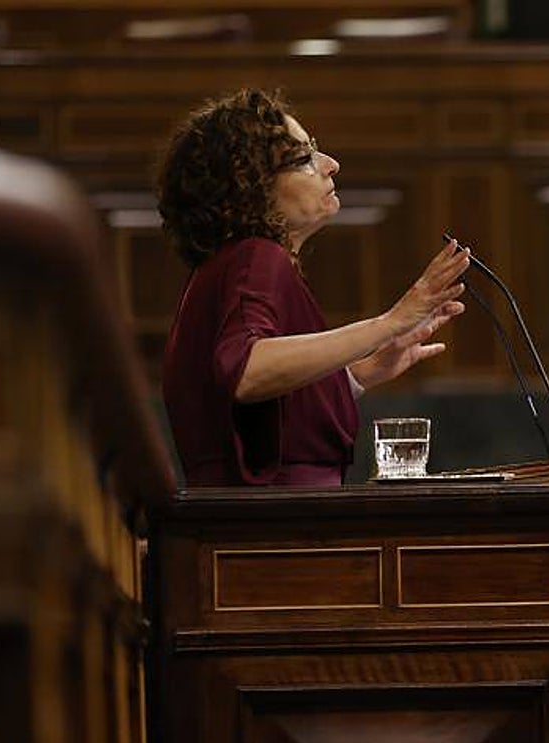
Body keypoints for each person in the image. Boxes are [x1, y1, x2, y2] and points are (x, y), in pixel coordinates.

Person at [157, 89, 468, 486]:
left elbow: (268, 421)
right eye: (304, 158)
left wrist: (358, 374)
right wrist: (389, 322)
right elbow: (246, 372)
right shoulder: (257, 257)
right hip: (272, 539)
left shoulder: (230, 265)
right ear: (251, 186)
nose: (331, 165)